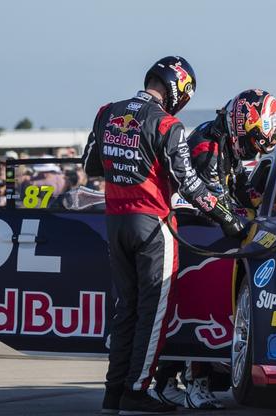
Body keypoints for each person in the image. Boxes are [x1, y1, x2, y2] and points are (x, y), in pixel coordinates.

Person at [84, 56, 249, 415]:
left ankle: (113, 394)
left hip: (115, 222)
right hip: (153, 226)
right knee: (152, 314)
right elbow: (190, 183)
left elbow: (90, 165)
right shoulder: (167, 124)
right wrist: (225, 217)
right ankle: (137, 390)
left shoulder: (106, 112)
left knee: (124, 309)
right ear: (179, 89)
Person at [155, 89, 276, 410]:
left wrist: (269, 187)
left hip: (200, 238)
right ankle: (191, 383)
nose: (257, 148)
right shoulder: (206, 146)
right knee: (198, 311)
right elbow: (217, 201)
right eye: (257, 141)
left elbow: (239, 191)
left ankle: (167, 381)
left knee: (190, 312)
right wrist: (241, 219)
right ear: (243, 126)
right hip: (191, 236)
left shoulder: (225, 143)